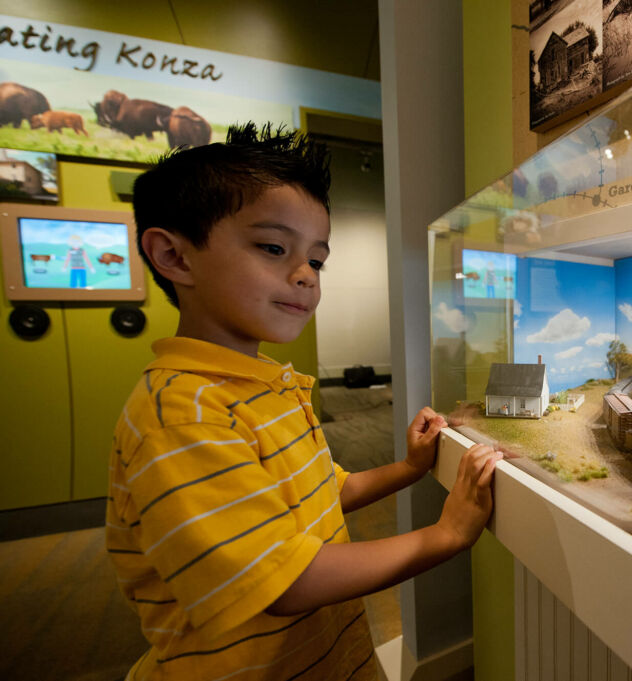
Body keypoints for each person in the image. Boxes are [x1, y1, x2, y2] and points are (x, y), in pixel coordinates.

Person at [106, 123, 501, 681]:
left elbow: (324, 494)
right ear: (174, 255)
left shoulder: (264, 384)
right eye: (273, 247)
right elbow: (284, 581)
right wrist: (445, 536)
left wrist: (409, 468)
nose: (304, 277)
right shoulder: (181, 413)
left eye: (316, 261)